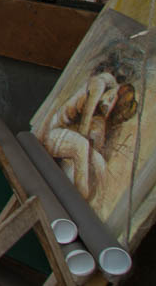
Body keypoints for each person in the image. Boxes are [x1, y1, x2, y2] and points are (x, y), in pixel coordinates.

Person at [38, 51, 137, 200]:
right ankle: (79, 200)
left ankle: (89, 202)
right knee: (82, 145)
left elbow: (95, 141)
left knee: (98, 163)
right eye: (111, 99)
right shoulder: (100, 83)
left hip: (62, 140)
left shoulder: (102, 112)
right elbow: (84, 130)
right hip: (49, 135)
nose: (107, 104)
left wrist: (98, 160)